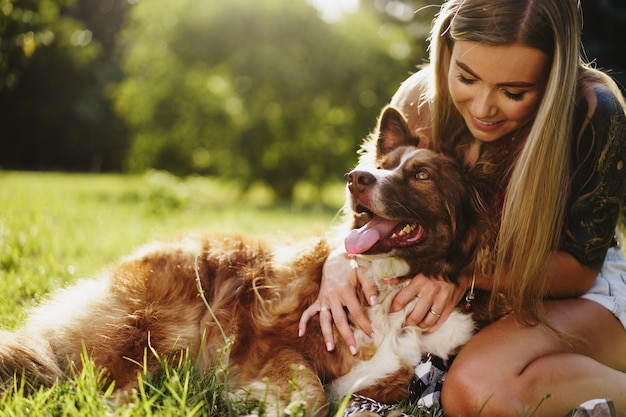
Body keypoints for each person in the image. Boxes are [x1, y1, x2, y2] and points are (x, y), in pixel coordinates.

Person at [298, 0, 626, 416]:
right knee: (500, 387)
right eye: (467, 78)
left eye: (514, 92)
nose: (483, 107)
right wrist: (340, 261)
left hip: (571, 289)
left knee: (474, 389)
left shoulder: (593, 111)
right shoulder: (420, 98)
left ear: (552, 81)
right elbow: (376, 206)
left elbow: (579, 270)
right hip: (481, 294)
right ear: (446, 53)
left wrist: (463, 273)